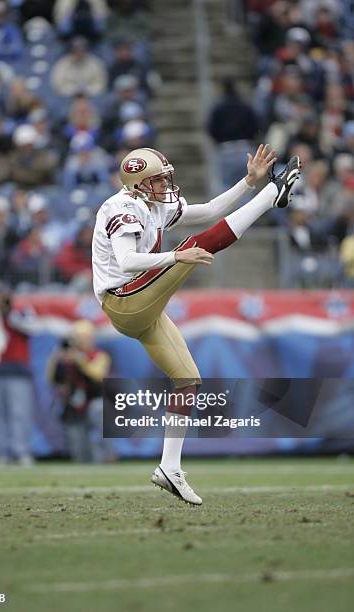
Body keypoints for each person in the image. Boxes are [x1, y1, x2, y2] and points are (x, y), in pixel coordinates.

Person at [92, 145, 301, 505]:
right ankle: (272, 196)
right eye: (157, 179)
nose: (165, 184)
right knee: (191, 248)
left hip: (143, 307)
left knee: (188, 381)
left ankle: (168, 468)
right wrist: (176, 255)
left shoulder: (152, 204)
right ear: (138, 184)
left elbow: (208, 211)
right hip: (123, 300)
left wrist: (247, 183)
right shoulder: (121, 208)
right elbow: (126, 262)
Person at [0, 283, 36, 465]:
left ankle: (22, 452)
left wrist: (8, 311)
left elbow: (31, 328)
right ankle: (3, 452)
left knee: (20, 414)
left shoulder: (21, 311)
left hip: (18, 372)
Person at [47, 320, 112, 462]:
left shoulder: (99, 355)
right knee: (80, 454)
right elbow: (51, 379)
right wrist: (55, 357)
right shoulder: (66, 358)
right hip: (75, 406)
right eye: (79, 338)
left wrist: (80, 359)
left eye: (85, 338)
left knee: (99, 409)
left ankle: (108, 453)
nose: (83, 342)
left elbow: (98, 374)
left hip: (94, 401)